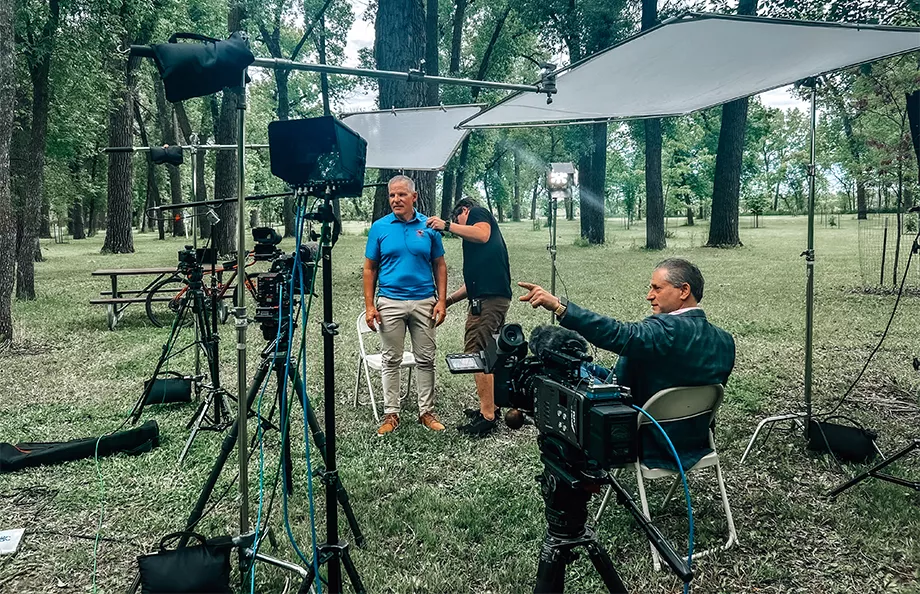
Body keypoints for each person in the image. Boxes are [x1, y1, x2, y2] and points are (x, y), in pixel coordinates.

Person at [518, 258, 735, 406]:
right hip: (695, 439)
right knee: (586, 367)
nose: (649, 296)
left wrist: (559, 306)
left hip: (642, 433)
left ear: (684, 291)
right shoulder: (726, 342)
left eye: (657, 288)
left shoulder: (663, 332)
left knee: (560, 369)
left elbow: (618, 333)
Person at [364, 175, 448, 436]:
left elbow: (440, 265)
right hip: (390, 301)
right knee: (391, 359)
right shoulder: (379, 227)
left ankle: (426, 412)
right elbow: (369, 268)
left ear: (414, 197)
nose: (396, 200)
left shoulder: (429, 226)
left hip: (424, 301)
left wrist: (442, 301)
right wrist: (370, 305)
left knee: (426, 359)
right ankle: (391, 413)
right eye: (392, 195)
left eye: (401, 195)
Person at [426, 198, 512, 435]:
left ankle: (487, 417)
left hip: (488, 302)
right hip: (490, 297)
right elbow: (471, 284)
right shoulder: (477, 246)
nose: (459, 227)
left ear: (464, 211)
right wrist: (448, 300)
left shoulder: (478, 214)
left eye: (458, 220)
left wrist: (446, 225)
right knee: (489, 354)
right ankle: (491, 406)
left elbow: (481, 234)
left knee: (478, 355)